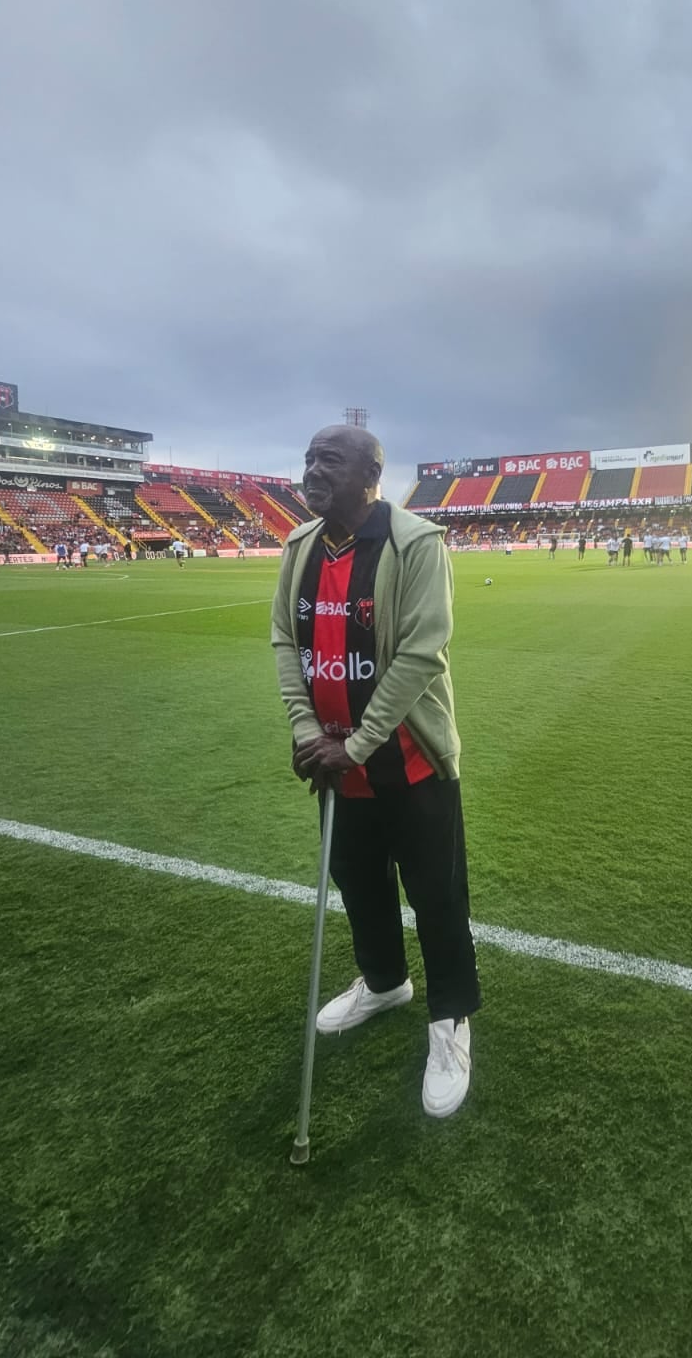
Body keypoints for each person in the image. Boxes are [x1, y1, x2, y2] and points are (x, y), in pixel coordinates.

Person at [272, 425, 480, 1118]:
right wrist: (309, 732)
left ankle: (450, 1021)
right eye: (307, 458)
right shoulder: (299, 545)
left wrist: (356, 743)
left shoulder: (415, 543)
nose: (311, 470)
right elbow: (284, 639)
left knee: (437, 897)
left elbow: (421, 654)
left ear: (371, 476)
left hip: (410, 763)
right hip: (337, 765)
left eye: (329, 460)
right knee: (358, 885)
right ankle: (385, 981)